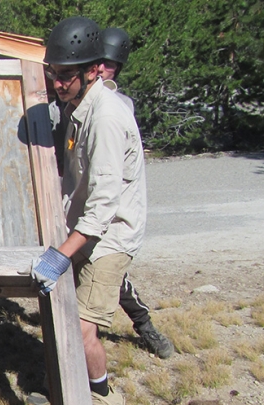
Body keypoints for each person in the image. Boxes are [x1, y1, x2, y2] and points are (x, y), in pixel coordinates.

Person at [25, 16, 147, 405]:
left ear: (94, 69)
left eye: (66, 76)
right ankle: (67, 382)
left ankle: (103, 399)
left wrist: (60, 252)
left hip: (110, 235)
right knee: (64, 314)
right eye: (53, 74)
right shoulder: (79, 105)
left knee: (80, 327)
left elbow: (103, 206)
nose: (57, 84)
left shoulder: (108, 117)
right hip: (84, 228)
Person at [96, 27, 174, 359]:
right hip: (70, 198)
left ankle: (144, 326)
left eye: (109, 65)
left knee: (112, 273)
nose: (102, 69)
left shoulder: (118, 105)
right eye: (98, 62)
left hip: (105, 207)